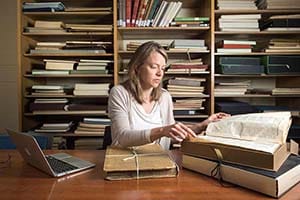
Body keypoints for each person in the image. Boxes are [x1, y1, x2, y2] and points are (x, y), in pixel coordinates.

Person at [108, 41, 229, 150]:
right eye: (154, 67)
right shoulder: (119, 93)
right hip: (125, 162)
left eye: (163, 68)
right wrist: (162, 131)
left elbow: (171, 135)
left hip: (159, 161)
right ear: (137, 68)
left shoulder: (164, 96)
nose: (160, 73)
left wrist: (202, 125)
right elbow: (122, 137)